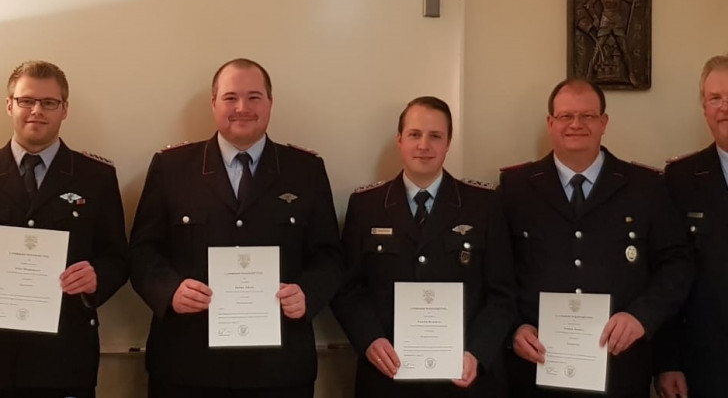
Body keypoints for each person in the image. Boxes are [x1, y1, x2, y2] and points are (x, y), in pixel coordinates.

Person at [129, 58, 343, 398]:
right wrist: (170, 290)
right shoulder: (172, 168)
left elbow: (330, 256)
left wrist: (308, 292)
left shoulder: (305, 170)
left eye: (254, 97)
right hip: (187, 365)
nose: (242, 108)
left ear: (270, 103)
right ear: (213, 103)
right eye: (230, 97)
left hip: (279, 369)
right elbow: (142, 251)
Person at [499, 78, 692, 398]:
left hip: (620, 369)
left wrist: (641, 316)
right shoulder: (515, 188)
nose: (576, 124)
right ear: (550, 123)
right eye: (565, 116)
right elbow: (496, 273)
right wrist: (513, 329)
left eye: (588, 116)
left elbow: (677, 265)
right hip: (536, 368)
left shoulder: (644, 187)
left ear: (604, 122)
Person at [332, 96, 516, 397]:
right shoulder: (366, 206)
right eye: (415, 134)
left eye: (435, 136)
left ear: (448, 142)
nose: (424, 145)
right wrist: (369, 340)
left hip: (463, 378)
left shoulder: (483, 205)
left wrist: (477, 352)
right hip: (387, 376)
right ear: (400, 140)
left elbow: (503, 292)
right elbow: (347, 288)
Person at [0, 60, 128, 398]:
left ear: (64, 109)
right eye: (26, 100)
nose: (36, 111)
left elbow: (118, 256)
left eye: (49, 102)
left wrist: (97, 277)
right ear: (10, 104)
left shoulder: (95, 176)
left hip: (64, 356)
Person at [653, 54, 728, 398]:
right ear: (704, 108)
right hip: (705, 362)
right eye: (716, 98)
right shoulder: (681, 180)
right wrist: (667, 360)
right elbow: (668, 274)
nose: (725, 106)